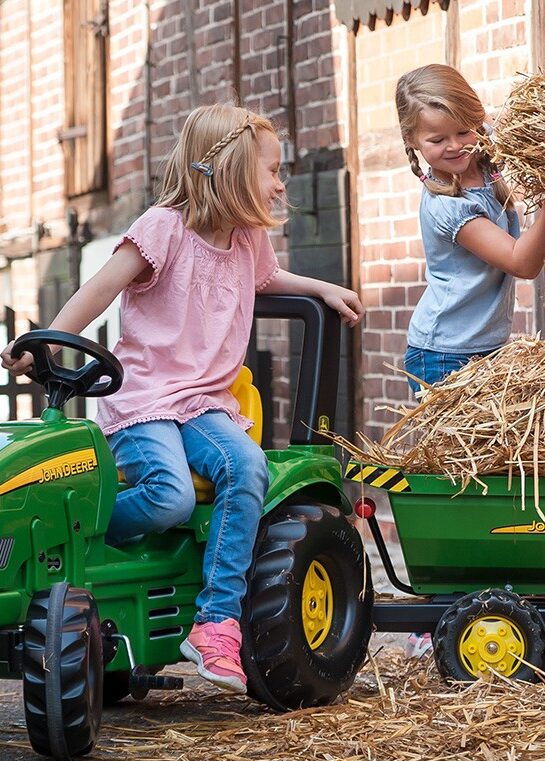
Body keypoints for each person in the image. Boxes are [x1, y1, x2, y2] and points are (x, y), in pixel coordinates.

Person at [1, 104, 364, 694]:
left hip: (205, 402)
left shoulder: (247, 241)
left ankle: (216, 622)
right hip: (144, 397)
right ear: (229, 171)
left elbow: (268, 281)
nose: (279, 184)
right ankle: (89, 541)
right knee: (168, 498)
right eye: (271, 171)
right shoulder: (163, 228)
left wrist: (322, 286)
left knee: (246, 464)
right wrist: (39, 340)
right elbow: (101, 287)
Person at [395, 65, 545, 657]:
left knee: (488, 481)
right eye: (437, 140)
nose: (455, 148)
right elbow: (521, 261)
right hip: (444, 358)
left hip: (485, 353)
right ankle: (432, 617)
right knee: (454, 486)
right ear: (413, 144)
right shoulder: (447, 209)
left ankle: (485, 597)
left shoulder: (487, 173)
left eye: (465, 130)